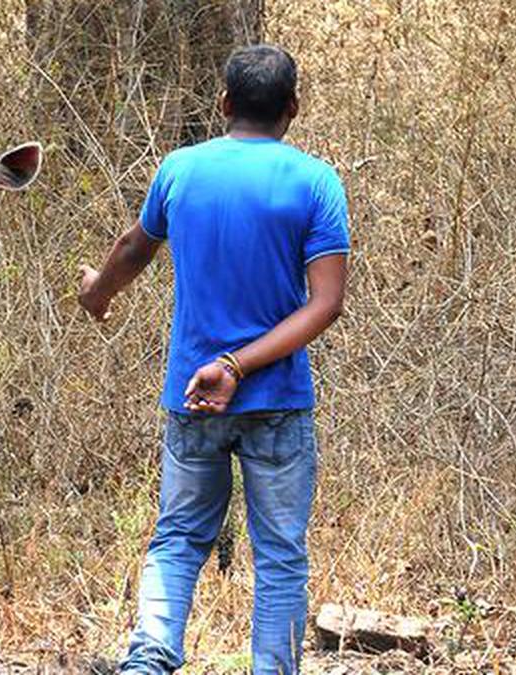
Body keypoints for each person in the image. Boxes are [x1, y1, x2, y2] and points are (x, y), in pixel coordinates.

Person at [78, 44, 349, 674]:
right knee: (280, 554)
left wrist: (97, 292)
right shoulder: (315, 182)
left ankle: (147, 663)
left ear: (223, 103)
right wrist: (242, 366)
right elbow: (326, 303)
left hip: (192, 395)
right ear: (293, 108)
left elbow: (132, 249)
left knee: (176, 541)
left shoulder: (180, 170)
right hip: (277, 401)